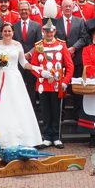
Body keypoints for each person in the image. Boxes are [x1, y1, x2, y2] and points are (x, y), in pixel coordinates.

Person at [29, 18, 74, 148]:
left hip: (57, 84)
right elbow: (33, 65)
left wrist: (65, 82)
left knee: (57, 111)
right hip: (43, 84)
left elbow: (70, 66)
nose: (49, 34)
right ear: (43, 31)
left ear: (54, 31)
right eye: (46, 32)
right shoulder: (38, 46)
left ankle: (57, 137)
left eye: (51, 31)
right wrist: (40, 73)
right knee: (45, 111)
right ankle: (47, 136)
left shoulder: (62, 44)